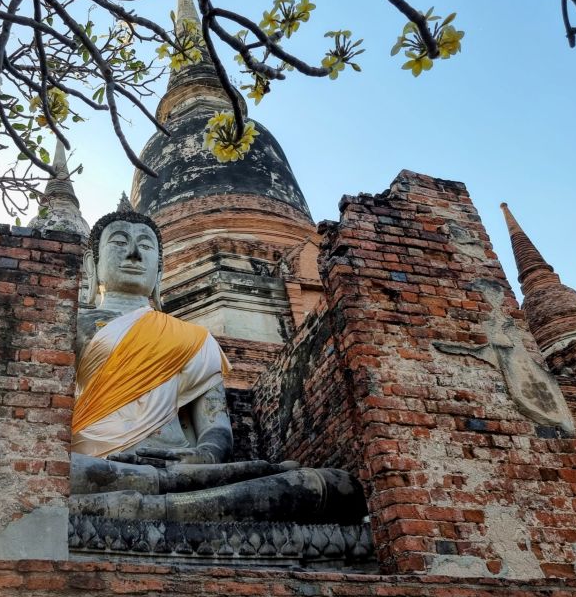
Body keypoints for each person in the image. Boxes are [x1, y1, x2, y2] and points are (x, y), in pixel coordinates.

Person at [68, 202, 366, 525]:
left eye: (145, 246)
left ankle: (140, 506)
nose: (134, 255)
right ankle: (163, 506)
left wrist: (202, 455)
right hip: (97, 466)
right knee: (59, 472)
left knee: (330, 486)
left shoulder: (191, 338)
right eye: (119, 243)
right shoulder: (70, 326)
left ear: (160, 270)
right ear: (90, 264)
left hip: (186, 474)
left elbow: (215, 429)